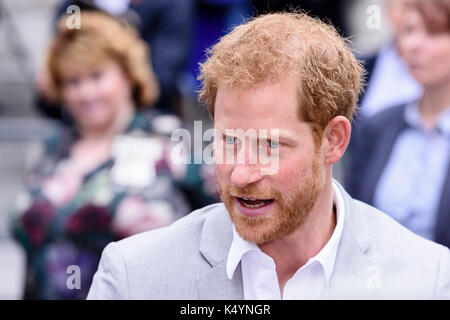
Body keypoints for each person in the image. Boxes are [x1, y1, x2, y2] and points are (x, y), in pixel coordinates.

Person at [87, 12, 450, 300]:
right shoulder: (134, 277)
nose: (242, 174)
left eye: (271, 146)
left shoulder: (428, 280)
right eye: (228, 141)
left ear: (334, 141)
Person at [9, 11, 192, 299]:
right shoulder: (56, 147)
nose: (85, 92)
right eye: (73, 82)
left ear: (128, 75)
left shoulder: (167, 140)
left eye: (97, 76)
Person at [347, 0, 450, 249]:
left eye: (433, 32)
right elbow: (353, 219)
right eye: (408, 31)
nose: (413, 44)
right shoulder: (377, 127)